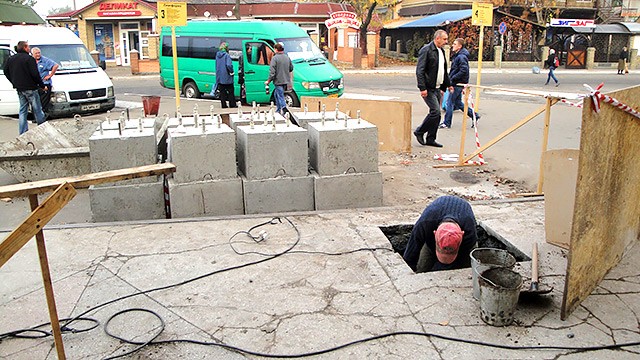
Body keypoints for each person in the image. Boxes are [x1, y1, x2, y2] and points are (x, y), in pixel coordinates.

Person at [403, 195, 478, 272]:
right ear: (434, 233)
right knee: (422, 268)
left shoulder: (469, 232)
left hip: (464, 246)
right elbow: (411, 253)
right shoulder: (425, 223)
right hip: (431, 237)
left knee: (468, 270)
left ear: (462, 234)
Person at [414, 29, 451, 148]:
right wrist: (422, 88)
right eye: (444, 39)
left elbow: (443, 70)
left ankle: (431, 138)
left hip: (437, 87)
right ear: (437, 38)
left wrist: (447, 85)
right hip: (428, 88)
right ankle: (419, 131)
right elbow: (420, 71)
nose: (446, 41)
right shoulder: (427, 50)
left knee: (437, 114)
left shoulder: (441, 51)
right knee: (435, 111)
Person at [3, 41, 46, 135]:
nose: (29, 48)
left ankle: (23, 132)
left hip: (19, 88)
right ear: (25, 47)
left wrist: (13, 81)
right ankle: (43, 129)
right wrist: (42, 85)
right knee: (37, 109)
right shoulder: (29, 59)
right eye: (28, 47)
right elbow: (35, 74)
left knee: (23, 110)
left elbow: (6, 71)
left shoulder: (11, 59)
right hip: (30, 87)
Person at [441, 38, 480, 129]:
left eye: (455, 44)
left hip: (458, 83)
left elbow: (464, 70)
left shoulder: (461, 57)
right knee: (458, 103)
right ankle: (474, 115)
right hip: (458, 82)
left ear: (460, 46)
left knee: (449, 102)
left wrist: (453, 78)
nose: (452, 46)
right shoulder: (458, 56)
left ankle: (447, 123)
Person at [265, 43, 293, 115]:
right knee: (276, 94)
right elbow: (291, 68)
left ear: (276, 49)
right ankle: (278, 109)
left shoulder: (275, 58)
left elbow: (272, 72)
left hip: (278, 80)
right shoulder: (287, 57)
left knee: (280, 95)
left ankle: (284, 109)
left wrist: (268, 81)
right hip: (286, 80)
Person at [31, 46, 58, 120]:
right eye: (36, 53)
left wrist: (50, 75)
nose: (38, 55)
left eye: (39, 53)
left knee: (43, 103)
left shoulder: (45, 60)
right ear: (32, 54)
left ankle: (43, 118)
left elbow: (55, 65)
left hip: (45, 84)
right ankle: (36, 118)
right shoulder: (30, 61)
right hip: (35, 85)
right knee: (35, 102)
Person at [215, 42, 236, 108]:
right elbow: (229, 65)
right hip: (227, 76)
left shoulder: (217, 55)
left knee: (222, 92)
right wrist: (231, 71)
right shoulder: (226, 55)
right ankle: (232, 104)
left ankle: (223, 105)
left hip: (220, 76)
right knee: (230, 91)